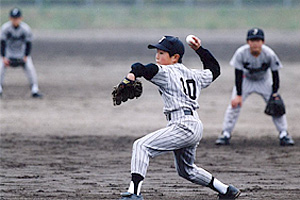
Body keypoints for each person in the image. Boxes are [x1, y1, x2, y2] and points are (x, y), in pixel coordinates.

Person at [117, 36, 240, 199]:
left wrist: (130, 76)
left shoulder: (166, 71)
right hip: (193, 125)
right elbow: (214, 69)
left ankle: (134, 193)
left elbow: (141, 68)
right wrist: (199, 50)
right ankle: (226, 190)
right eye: (157, 52)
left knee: (141, 146)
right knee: (186, 170)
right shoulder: (194, 74)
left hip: (182, 125)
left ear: (175, 57)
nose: (157, 57)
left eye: (162, 53)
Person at [215, 28, 294, 146]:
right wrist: (239, 95)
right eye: (252, 40)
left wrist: (275, 93)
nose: (255, 43)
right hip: (245, 81)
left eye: (258, 40)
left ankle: (283, 133)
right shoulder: (241, 53)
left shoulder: (269, 54)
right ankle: (225, 133)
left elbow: (275, 75)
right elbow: (238, 74)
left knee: (276, 106)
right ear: (248, 42)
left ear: (263, 42)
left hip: (264, 81)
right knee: (234, 105)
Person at [0, 8, 42, 98]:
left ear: (21, 18)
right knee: (0, 67)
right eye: (13, 18)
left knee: (30, 68)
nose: (15, 20)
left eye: (17, 18)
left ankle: (35, 89)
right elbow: (2, 43)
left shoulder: (25, 29)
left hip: (22, 55)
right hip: (8, 55)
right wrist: (3, 57)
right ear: (10, 18)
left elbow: (29, 43)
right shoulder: (5, 28)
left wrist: (26, 56)